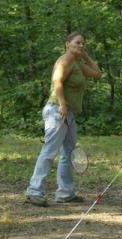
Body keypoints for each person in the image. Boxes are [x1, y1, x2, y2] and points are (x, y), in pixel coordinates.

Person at [25, 32, 102, 206]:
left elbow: (97, 73)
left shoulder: (77, 63)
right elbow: (57, 81)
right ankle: (34, 191)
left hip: (69, 114)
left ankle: (65, 193)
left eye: (83, 43)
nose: (81, 45)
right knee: (49, 151)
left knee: (68, 153)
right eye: (77, 43)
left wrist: (85, 56)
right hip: (57, 111)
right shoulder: (64, 60)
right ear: (67, 44)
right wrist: (62, 105)